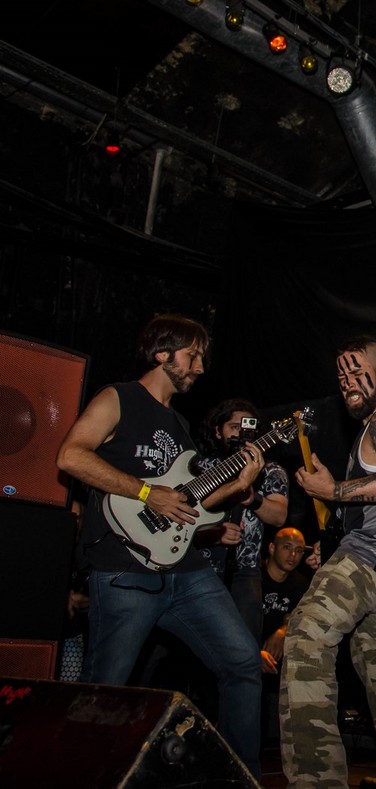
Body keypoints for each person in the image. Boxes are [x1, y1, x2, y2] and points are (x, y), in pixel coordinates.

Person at [56, 314, 266, 775]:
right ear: (161, 354)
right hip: (124, 568)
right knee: (105, 687)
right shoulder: (118, 398)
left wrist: (236, 486)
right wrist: (147, 492)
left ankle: (240, 776)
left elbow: (190, 507)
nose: (200, 367)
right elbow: (70, 456)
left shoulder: (179, 425)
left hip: (186, 570)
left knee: (243, 662)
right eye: (193, 356)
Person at [284, 337, 376, 787]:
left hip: (371, 561)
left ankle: (317, 780)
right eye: (341, 377)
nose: (347, 383)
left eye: (356, 373)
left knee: (305, 636)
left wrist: (334, 491)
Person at [195, 398, 290, 641]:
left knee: (245, 644)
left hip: (245, 571)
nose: (240, 433)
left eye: (247, 427)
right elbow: (182, 513)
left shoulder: (271, 471)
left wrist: (251, 497)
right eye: (234, 427)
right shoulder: (200, 466)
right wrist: (215, 534)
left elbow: (279, 516)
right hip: (199, 567)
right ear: (218, 431)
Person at [259, 526, 315, 743]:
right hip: (248, 651)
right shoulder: (252, 578)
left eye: (299, 550)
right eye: (287, 547)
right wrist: (253, 653)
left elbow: (300, 618)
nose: (293, 555)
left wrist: (283, 631)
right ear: (272, 548)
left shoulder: (301, 584)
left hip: (278, 660)